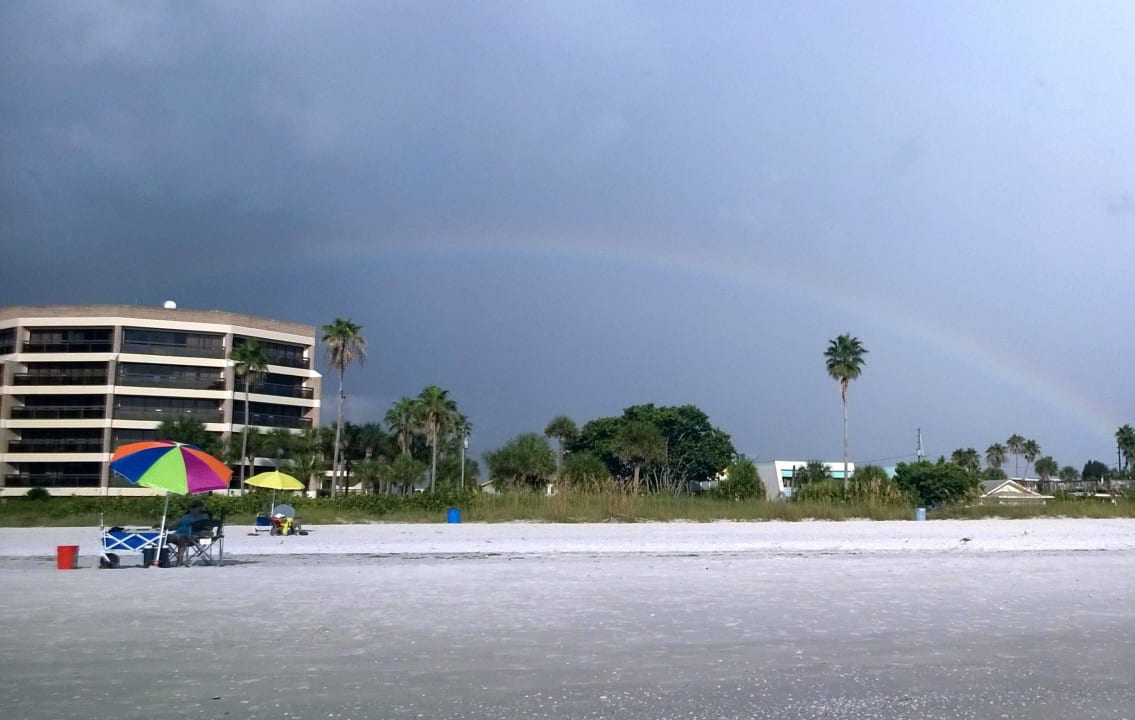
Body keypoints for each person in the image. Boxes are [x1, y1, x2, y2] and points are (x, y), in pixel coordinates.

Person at [165, 499, 212, 566]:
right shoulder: (186, 516)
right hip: (177, 534)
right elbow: (174, 526)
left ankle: (180, 560)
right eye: (191, 507)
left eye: (195, 507)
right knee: (162, 537)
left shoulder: (204, 516)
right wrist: (164, 527)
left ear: (201, 507)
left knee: (183, 537)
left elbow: (208, 528)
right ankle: (162, 559)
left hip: (193, 537)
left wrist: (202, 533)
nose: (192, 509)